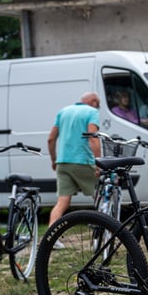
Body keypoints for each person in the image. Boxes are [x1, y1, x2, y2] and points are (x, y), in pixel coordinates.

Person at [48, 92, 101, 226]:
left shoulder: (63, 112)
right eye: (98, 105)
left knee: (62, 202)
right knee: (100, 197)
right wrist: (99, 162)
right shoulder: (92, 112)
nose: (98, 108)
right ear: (94, 102)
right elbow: (92, 137)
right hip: (83, 161)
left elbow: (51, 139)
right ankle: (110, 230)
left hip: (63, 162)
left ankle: (50, 235)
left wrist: (54, 160)